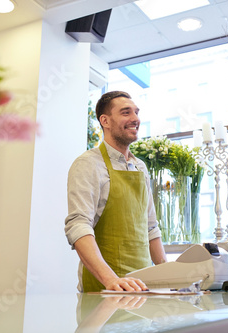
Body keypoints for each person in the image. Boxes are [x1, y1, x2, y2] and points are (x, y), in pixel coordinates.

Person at [65, 91, 167, 293]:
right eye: (126, 112)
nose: (135, 119)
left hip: (142, 289)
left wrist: (171, 278)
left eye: (136, 112)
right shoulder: (87, 164)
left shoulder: (140, 167)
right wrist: (111, 280)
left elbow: (150, 228)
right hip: (106, 291)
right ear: (105, 121)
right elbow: (78, 226)